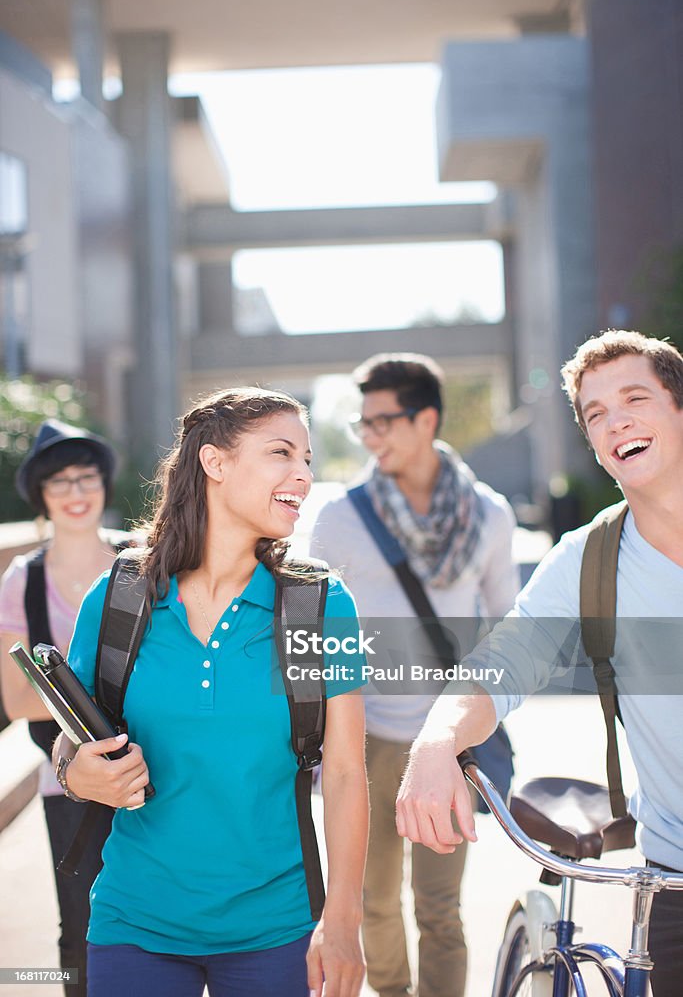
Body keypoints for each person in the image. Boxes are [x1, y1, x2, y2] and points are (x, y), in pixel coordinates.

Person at [52, 387, 368, 997]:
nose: (303, 475)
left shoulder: (322, 607)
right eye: (282, 453)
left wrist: (344, 923)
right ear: (215, 463)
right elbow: (76, 743)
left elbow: (349, 773)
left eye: (307, 459)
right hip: (132, 923)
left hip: (278, 931)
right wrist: (78, 776)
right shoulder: (120, 597)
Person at [396, 329, 683, 997]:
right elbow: (498, 666)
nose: (615, 422)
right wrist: (437, 741)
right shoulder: (588, 560)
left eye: (633, 398)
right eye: (595, 414)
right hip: (673, 878)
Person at [311, 354, 519, 997]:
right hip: (361, 740)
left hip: (445, 744)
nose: (369, 436)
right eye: (363, 423)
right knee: (372, 903)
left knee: (439, 909)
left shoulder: (488, 514)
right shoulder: (341, 519)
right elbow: (310, 631)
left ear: (425, 418)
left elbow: (508, 630)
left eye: (383, 421)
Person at [0, 419, 120, 997]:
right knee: (79, 929)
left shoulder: (139, 561)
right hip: (64, 783)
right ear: (42, 498)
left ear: (104, 484)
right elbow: (18, 698)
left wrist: (70, 694)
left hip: (157, 767)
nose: (75, 493)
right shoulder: (22, 580)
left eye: (86, 478)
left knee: (170, 926)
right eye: (59, 483)